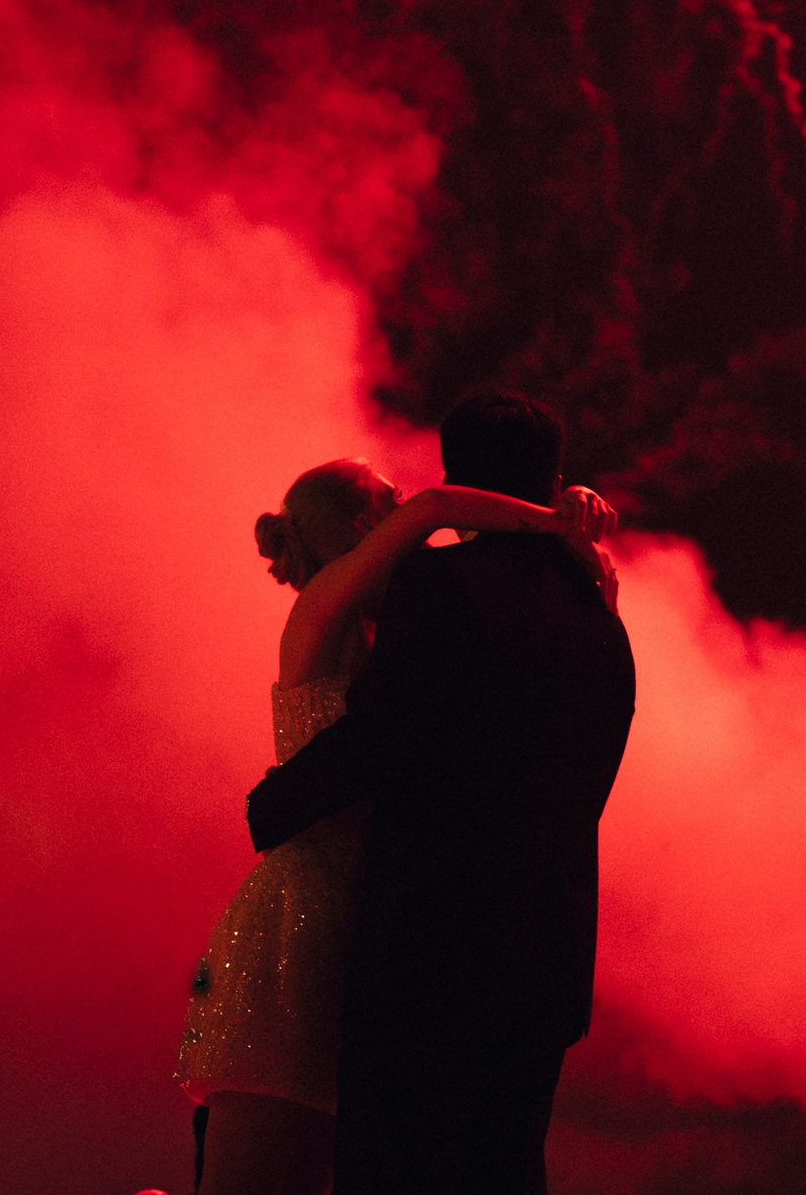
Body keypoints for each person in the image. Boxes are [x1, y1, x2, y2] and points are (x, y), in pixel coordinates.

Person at [176, 455, 618, 1195]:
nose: (405, 498)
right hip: (305, 921)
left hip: (361, 927)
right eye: (390, 495)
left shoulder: (402, 634)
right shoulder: (321, 609)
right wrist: (555, 519)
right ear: (364, 521)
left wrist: (570, 539)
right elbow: (439, 505)